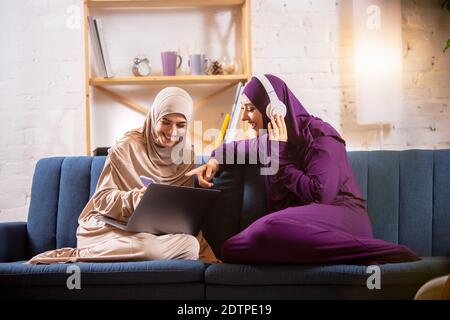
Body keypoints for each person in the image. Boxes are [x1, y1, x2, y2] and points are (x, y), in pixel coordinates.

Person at [187, 74, 419, 265]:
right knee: (232, 248)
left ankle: (380, 251)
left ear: (272, 108)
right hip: (298, 227)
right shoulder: (268, 141)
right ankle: (310, 253)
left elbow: (321, 194)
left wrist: (281, 155)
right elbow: (234, 149)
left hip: (342, 216)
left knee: (269, 227)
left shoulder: (320, 135)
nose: (245, 117)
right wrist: (214, 162)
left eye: (250, 109)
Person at [29, 87, 218, 264]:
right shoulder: (128, 145)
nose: (172, 132)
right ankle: (81, 254)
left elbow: (181, 217)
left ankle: (128, 251)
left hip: (152, 235)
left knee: (190, 245)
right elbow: (101, 200)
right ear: (153, 117)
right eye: (165, 122)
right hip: (110, 228)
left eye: (181, 125)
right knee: (149, 248)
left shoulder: (186, 154)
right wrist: (137, 198)